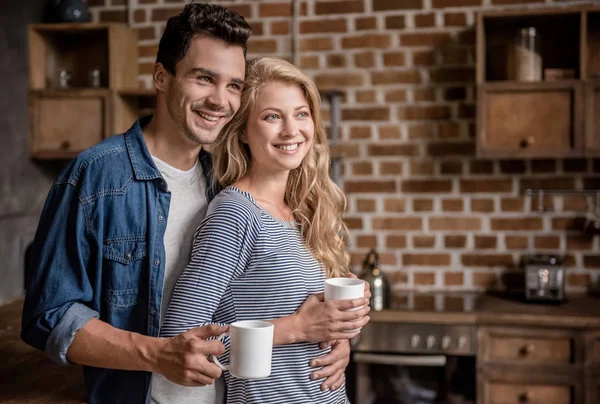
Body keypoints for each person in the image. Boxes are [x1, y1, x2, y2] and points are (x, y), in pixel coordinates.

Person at [21, 4, 360, 404]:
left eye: (234, 85)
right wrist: (157, 354)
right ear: (162, 76)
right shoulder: (97, 176)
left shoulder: (223, 179)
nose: (219, 100)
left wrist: (328, 339)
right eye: (204, 78)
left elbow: (253, 306)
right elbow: (51, 317)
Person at [152, 56, 370, 404]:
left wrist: (339, 334)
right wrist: (298, 328)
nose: (291, 130)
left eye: (301, 113)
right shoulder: (235, 214)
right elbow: (183, 344)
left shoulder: (302, 211)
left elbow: (303, 317)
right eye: (272, 116)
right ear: (242, 131)